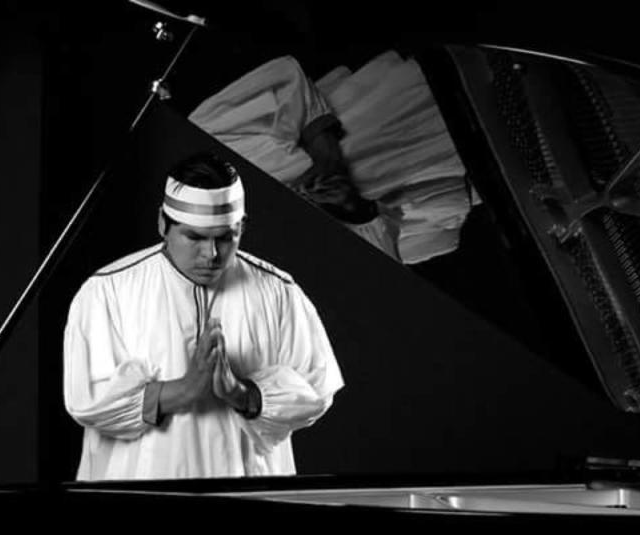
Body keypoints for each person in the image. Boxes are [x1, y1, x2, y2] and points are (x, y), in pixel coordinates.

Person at [63, 152, 344, 480]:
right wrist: (183, 389)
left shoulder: (279, 291)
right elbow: (88, 400)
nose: (211, 255)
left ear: (242, 226)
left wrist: (239, 393)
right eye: (194, 237)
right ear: (162, 223)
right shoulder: (107, 291)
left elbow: (316, 390)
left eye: (226, 237)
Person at [189, 51, 481, 264]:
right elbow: (378, 273)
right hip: (444, 184)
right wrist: (351, 208)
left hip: (409, 107)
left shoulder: (198, 152)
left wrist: (326, 156)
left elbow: (286, 81)